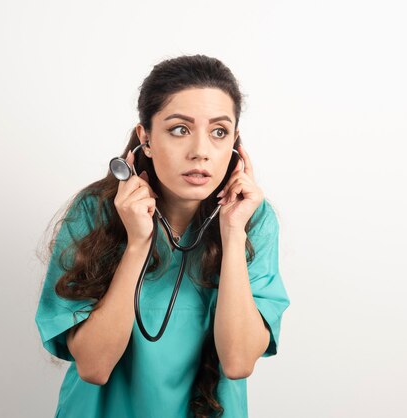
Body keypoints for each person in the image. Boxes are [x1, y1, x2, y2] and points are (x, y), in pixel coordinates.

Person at [35, 54, 291, 418]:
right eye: (179, 129)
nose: (201, 151)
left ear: (235, 143)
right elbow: (93, 366)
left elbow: (237, 362)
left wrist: (232, 233)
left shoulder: (252, 218)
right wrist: (138, 243)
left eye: (219, 132)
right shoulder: (95, 211)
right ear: (147, 139)